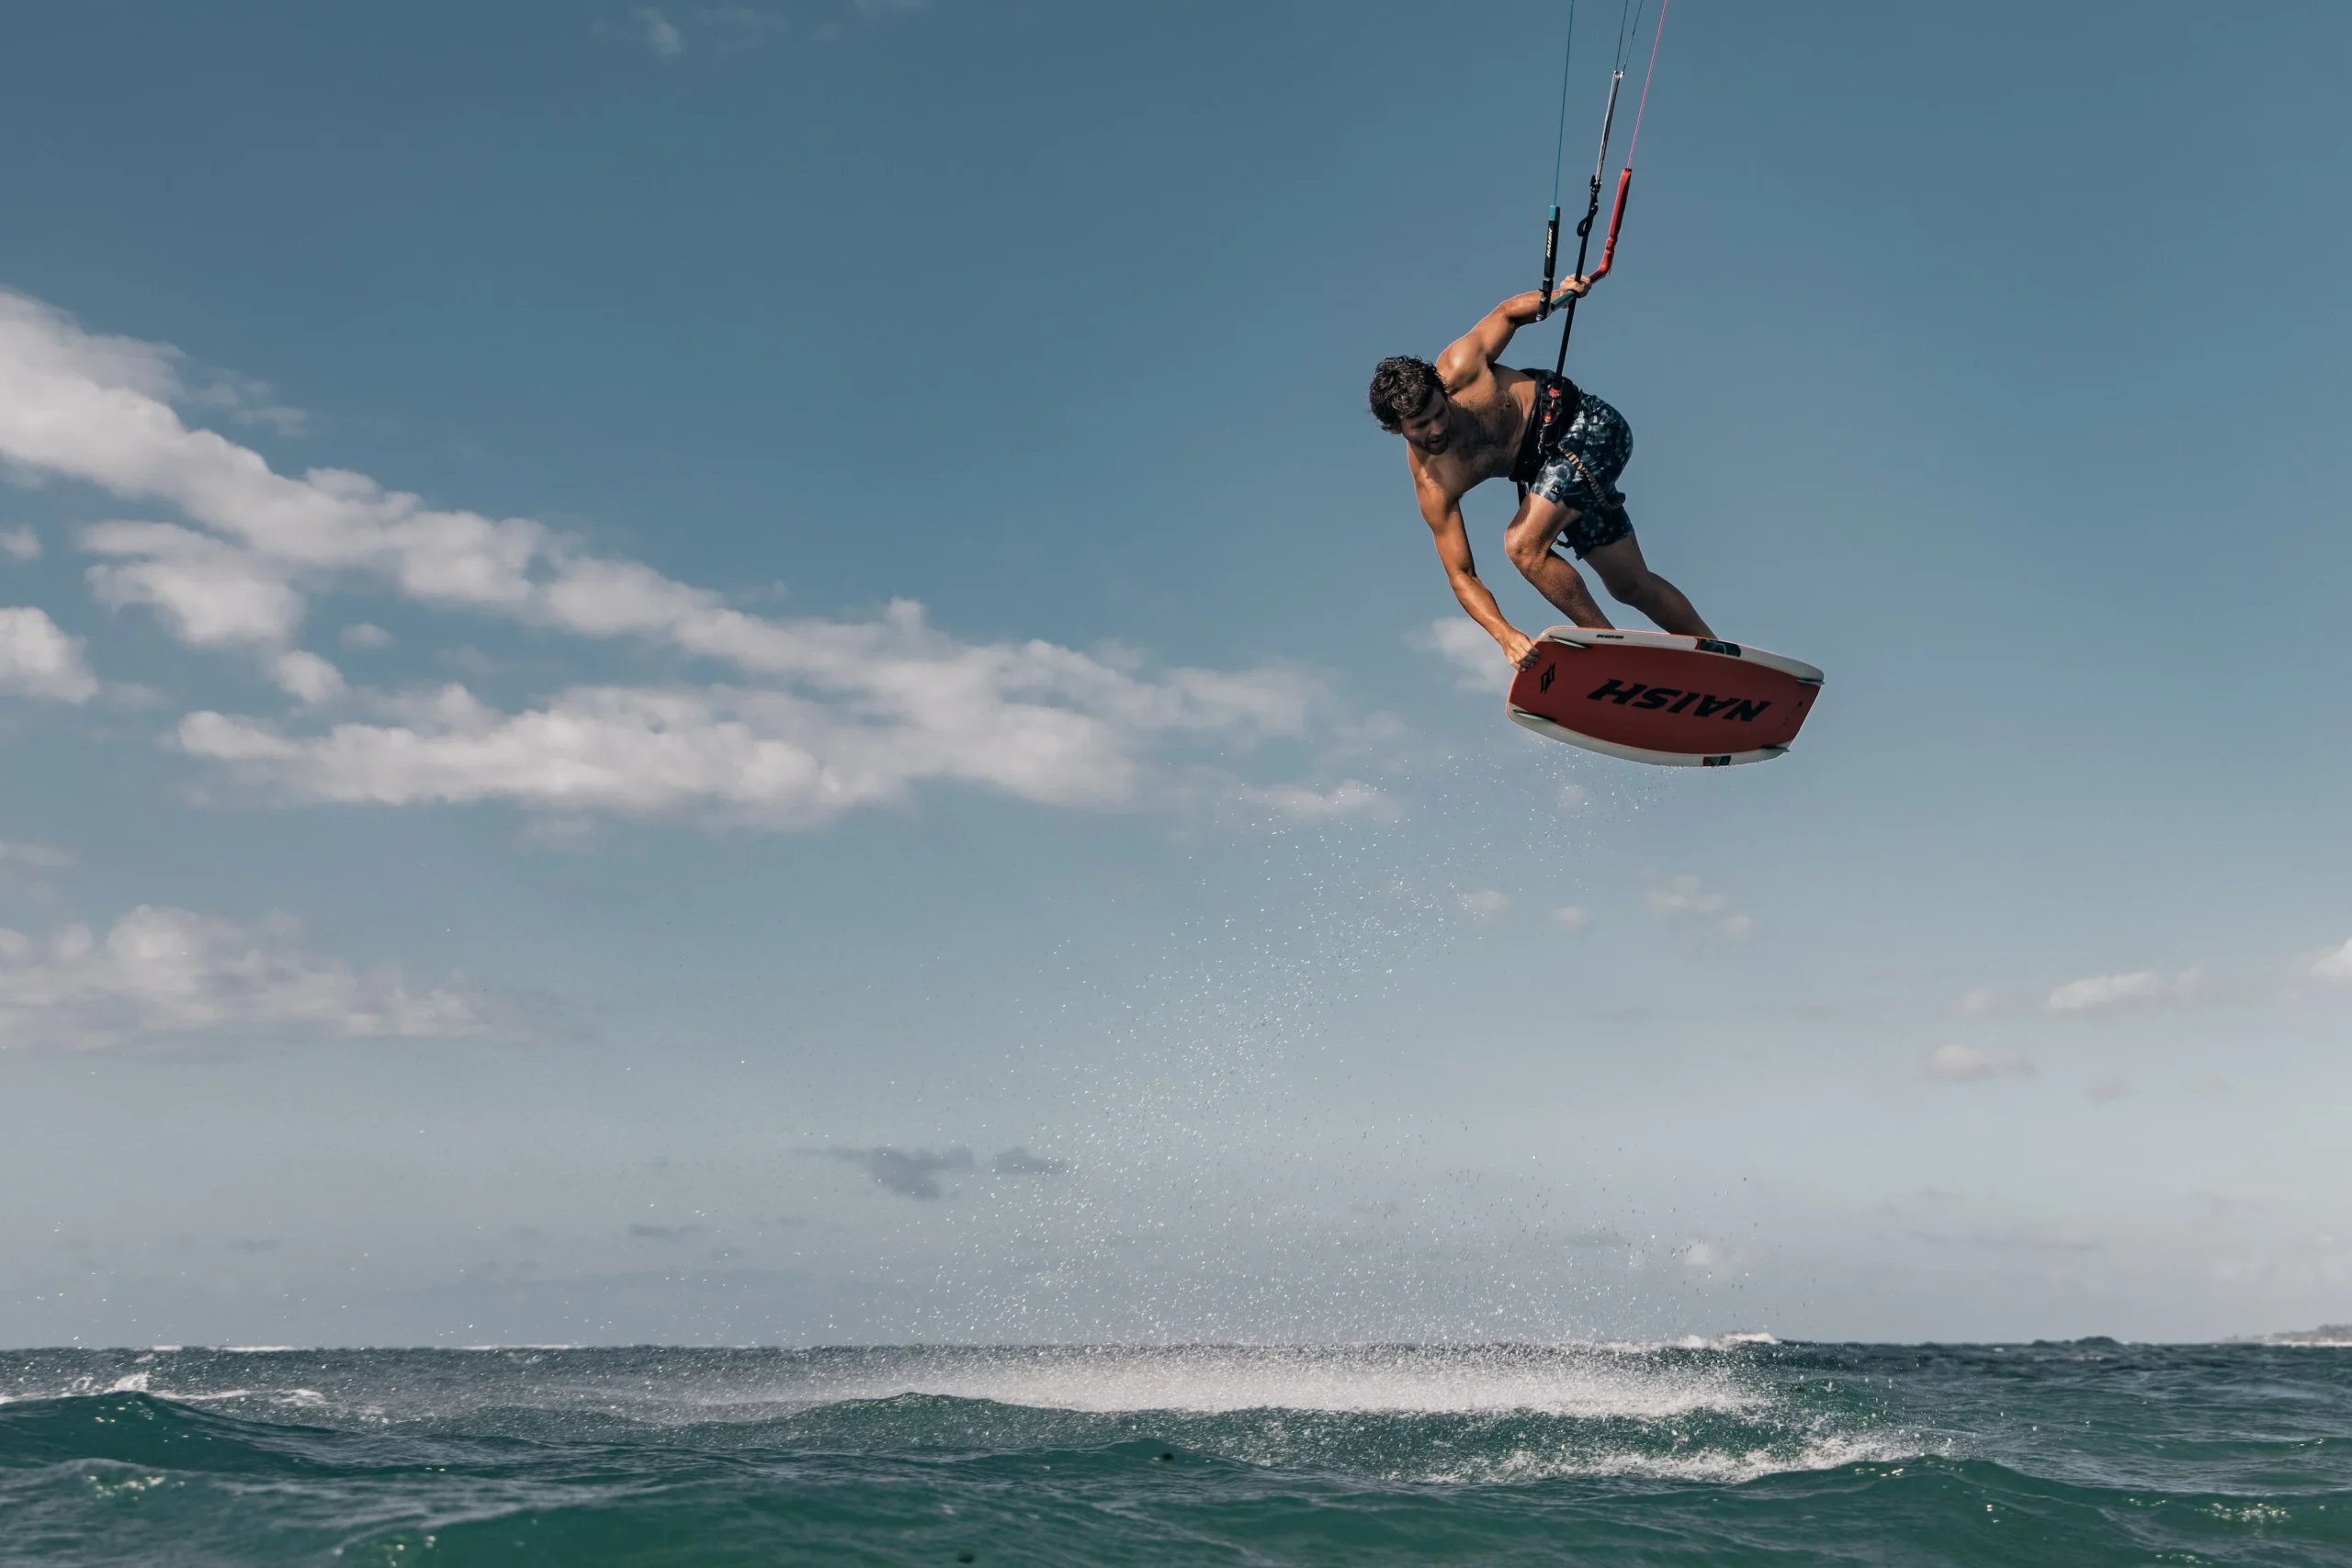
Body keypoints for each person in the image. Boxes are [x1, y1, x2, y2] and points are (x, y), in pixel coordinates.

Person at [1368, 277, 1713, 671]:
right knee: (1630, 585)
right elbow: (1461, 574)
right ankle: (1721, 658)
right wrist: (1504, 634)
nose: (1436, 430)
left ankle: (1615, 659)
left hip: (1589, 427)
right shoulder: (1434, 482)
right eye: (1420, 427)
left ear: (1443, 392)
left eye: (1438, 413)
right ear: (1396, 429)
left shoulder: (1462, 366)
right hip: (1555, 478)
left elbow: (1507, 314)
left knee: (1522, 545)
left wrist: (1557, 297)